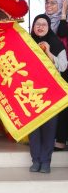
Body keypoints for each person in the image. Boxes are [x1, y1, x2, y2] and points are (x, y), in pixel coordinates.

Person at [29, 14, 68, 173]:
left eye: (44, 24)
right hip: (30, 91)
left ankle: (46, 161)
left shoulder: (57, 44)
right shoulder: (27, 43)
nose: (40, 27)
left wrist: (49, 52)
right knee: (34, 128)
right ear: (33, 27)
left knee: (49, 128)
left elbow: (63, 66)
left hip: (51, 92)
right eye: (37, 24)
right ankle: (35, 160)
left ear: (49, 26)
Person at [45, 0, 68, 151]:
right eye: (47, 2)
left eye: (54, 3)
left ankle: (60, 140)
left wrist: (64, 14)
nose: (49, 5)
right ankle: (52, 138)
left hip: (63, 69)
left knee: (63, 105)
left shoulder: (63, 23)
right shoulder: (44, 22)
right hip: (48, 70)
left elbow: (62, 33)